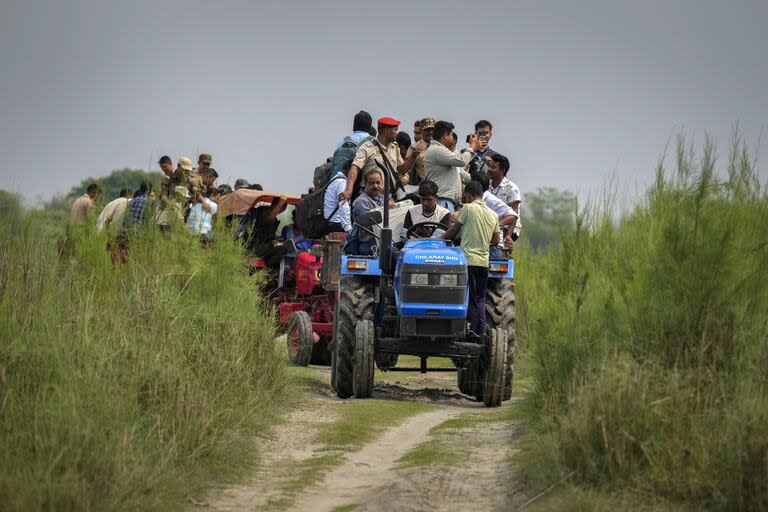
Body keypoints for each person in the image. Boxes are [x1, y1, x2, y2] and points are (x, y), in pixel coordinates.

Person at [441, 181, 500, 336]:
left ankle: (475, 333)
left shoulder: (467, 208)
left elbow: (453, 231)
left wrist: (438, 240)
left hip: (467, 262)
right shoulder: (493, 214)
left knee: (471, 300)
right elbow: (495, 240)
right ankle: (481, 334)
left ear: (468, 194)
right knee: (480, 300)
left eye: (464, 195)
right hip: (483, 263)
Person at [340, 117, 417, 202]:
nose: (397, 133)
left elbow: (402, 169)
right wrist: (348, 190)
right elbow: (355, 168)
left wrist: (412, 157)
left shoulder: (394, 147)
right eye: (395, 130)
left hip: (390, 197)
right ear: (386, 130)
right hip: (371, 198)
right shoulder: (367, 147)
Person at [423, 121, 481, 212]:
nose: (452, 137)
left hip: (447, 202)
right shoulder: (437, 150)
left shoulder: (442, 151)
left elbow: (459, 171)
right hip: (443, 202)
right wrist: (472, 147)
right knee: (443, 226)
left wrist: (480, 180)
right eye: (451, 134)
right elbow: (461, 161)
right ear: (446, 135)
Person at [473, 172, 517, 257]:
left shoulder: (490, 200)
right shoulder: (474, 199)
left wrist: (494, 227)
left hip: (492, 246)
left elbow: (512, 216)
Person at [241, 195, 291, 268]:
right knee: (283, 248)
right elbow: (268, 220)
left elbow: (268, 232)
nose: (281, 211)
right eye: (281, 208)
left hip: (262, 245)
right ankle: (269, 269)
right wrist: (279, 204)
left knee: (283, 247)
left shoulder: (273, 217)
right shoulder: (263, 211)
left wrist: (277, 239)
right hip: (253, 246)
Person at [347, 168, 386, 255]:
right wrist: (385, 209)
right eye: (372, 183)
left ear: (382, 183)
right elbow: (370, 222)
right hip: (369, 242)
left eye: (378, 182)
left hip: (385, 240)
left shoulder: (384, 198)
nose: (376, 186)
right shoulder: (360, 202)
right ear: (365, 184)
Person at [487, 153, 522, 242]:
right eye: (490, 166)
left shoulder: (511, 188)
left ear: (502, 170)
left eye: (493, 167)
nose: (489, 169)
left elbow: (513, 215)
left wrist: (509, 236)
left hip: (507, 228)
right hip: (490, 225)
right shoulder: (486, 186)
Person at [323, 160, 353, 234]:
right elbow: (343, 206)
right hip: (335, 224)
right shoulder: (342, 183)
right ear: (349, 170)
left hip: (329, 222)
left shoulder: (335, 179)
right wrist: (349, 230)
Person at [405, 117, 435, 185]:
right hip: (426, 187)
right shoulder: (413, 148)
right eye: (427, 130)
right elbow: (407, 170)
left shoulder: (442, 144)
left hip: (443, 187)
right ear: (421, 131)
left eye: (432, 129)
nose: (430, 132)